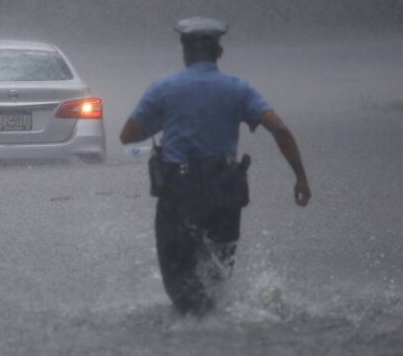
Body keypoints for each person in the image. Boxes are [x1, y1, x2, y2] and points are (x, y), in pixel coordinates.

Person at [119, 16, 310, 315]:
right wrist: (301, 178)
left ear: (184, 53)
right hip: (224, 194)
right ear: (219, 52)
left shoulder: (163, 88)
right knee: (216, 280)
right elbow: (281, 130)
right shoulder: (239, 89)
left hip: (177, 195)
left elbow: (127, 135)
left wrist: (162, 122)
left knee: (180, 285)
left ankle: (188, 336)